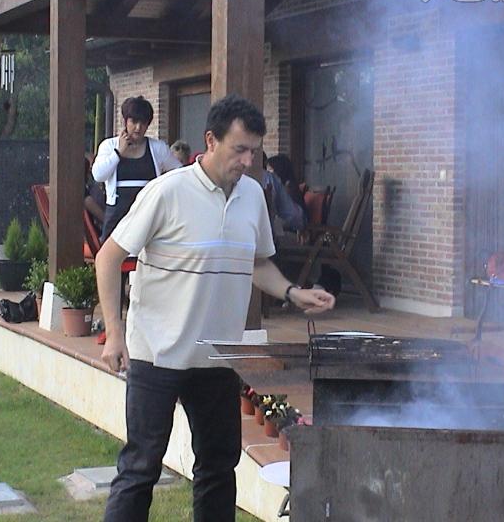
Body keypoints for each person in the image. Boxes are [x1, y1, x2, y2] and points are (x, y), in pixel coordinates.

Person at [96, 94, 335, 522]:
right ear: (210, 140)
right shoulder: (167, 191)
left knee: (218, 468)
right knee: (140, 468)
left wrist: (292, 293)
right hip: (158, 354)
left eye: (254, 151)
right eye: (239, 149)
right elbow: (109, 257)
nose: (247, 160)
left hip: (217, 358)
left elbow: (257, 261)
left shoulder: (252, 197)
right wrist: (114, 332)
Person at [92, 96, 181, 241]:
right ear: (125, 121)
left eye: (143, 123)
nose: (138, 128)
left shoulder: (158, 148)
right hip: (117, 214)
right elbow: (98, 175)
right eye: (134, 122)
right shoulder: (109, 145)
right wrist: (118, 153)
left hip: (148, 213)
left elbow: (178, 172)